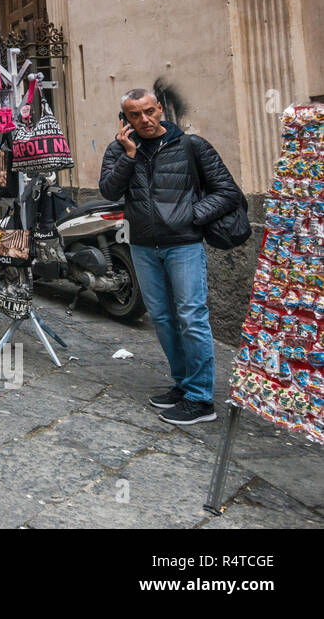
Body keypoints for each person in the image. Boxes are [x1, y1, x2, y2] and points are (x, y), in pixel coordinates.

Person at [98, 88, 241, 425]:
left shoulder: (192, 145)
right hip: (143, 247)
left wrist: (190, 215)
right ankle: (184, 384)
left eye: (149, 111)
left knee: (191, 317)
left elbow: (227, 192)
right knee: (162, 319)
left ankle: (201, 399)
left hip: (184, 245)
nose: (144, 119)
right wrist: (129, 156)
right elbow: (109, 190)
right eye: (135, 115)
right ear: (125, 119)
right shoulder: (119, 150)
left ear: (160, 108)